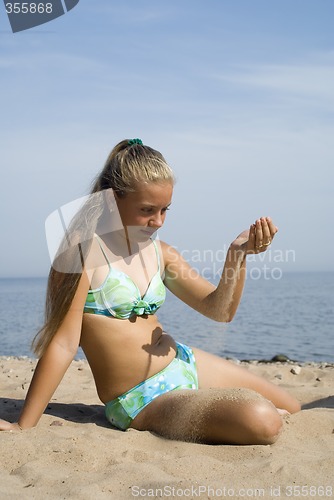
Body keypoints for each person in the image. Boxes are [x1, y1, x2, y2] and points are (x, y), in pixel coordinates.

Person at [0, 138, 300, 444]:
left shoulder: (162, 254)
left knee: (294, 407)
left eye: (165, 209)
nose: (157, 221)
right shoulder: (83, 253)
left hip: (183, 362)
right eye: (146, 210)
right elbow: (64, 344)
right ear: (110, 200)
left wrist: (238, 255)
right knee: (263, 420)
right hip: (139, 398)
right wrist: (25, 423)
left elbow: (220, 311)